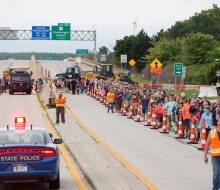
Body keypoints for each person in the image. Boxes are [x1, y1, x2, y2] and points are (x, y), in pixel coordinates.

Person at [204, 117, 220, 190]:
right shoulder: (212, 132)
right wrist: (205, 156)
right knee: (216, 173)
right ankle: (215, 188)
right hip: (215, 157)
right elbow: (207, 144)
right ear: (218, 122)